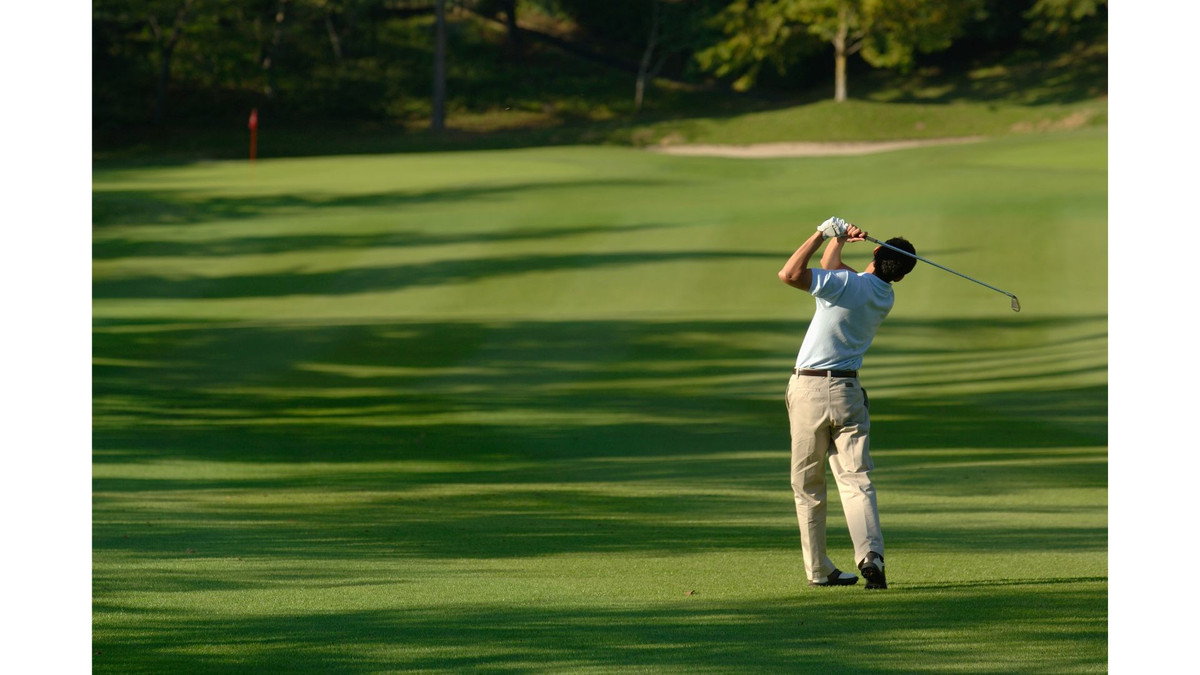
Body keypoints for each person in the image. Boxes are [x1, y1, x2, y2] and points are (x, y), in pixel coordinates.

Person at [776, 216, 916, 590]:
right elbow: (834, 269)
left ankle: (819, 570)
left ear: (875, 252)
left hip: (809, 390)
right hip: (849, 393)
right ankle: (871, 556)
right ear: (901, 275)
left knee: (808, 485)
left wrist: (822, 234)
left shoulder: (845, 285)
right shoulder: (883, 295)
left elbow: (789, 274)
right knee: (856, 479)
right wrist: (837, 242)